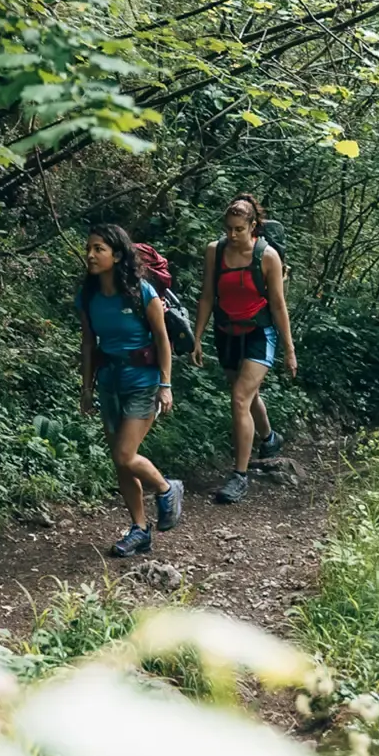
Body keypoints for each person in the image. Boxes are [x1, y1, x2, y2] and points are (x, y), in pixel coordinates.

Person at [77, 223, 185, 557]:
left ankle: (168, 488)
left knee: (126, 454)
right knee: (120, 463)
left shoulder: (142, 292)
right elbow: (88, 343)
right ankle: (140, 529)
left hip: (143, 382)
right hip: (110, 382)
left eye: (99, 249)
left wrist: (165, 385)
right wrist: (86, 387)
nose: (91, 255)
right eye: (90, 249)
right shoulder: (88, 296)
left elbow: (162, 339)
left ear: (117, 254)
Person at [191, 194, 297, 504]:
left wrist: (289, 349)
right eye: (228, 229)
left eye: (239, 229)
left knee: (239, 398)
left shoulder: (268, 257)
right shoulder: (216, 252)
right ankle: (269, 438)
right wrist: (196, 337)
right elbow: (207, 296)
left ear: (253, 226)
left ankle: (239, 476)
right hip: (226, 331)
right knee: (247, 397)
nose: (232, 235)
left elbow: (278, 304)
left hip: (259, 333)